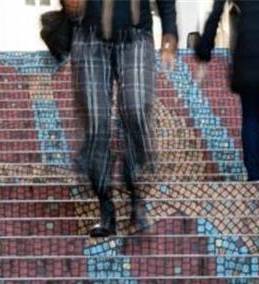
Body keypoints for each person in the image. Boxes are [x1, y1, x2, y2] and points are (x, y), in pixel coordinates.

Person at [63, 0, 178, 237]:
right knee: (96, 126)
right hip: (89, 37)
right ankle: (106, 208)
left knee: (136, 111)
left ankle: (134, 185)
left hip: (135, 36)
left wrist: (170, 30)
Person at [193, 0, 259, 182]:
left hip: (249, 54)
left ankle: (254, 176)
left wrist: (204, 51)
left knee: (251, 117)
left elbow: (216, 12)